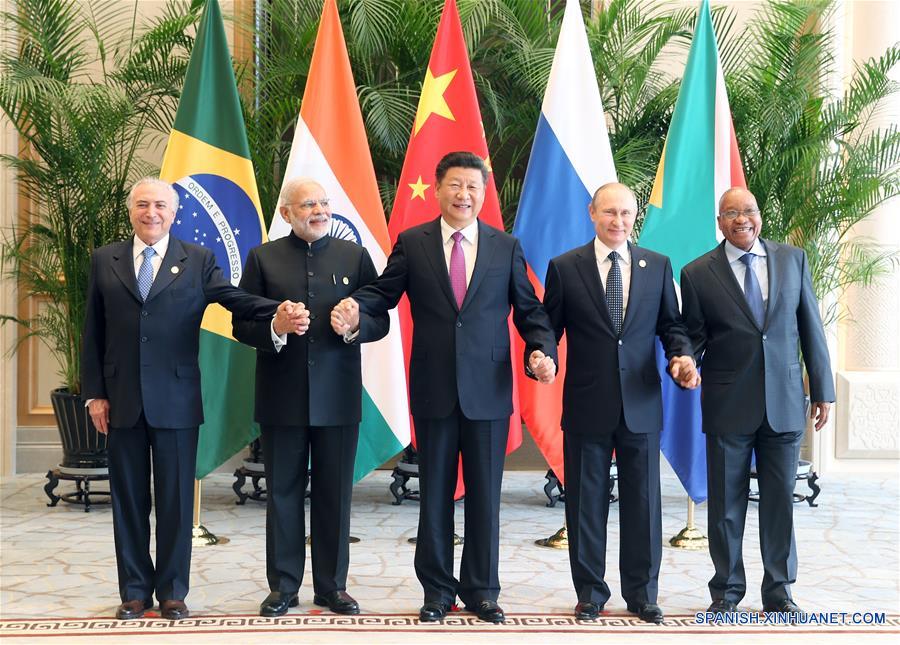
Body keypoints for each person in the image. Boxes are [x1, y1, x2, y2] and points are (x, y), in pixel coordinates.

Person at [331, 151, 557, 624]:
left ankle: (482, 591)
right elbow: (382, 293)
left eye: (473, 187)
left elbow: (530, 310)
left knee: (484, 497)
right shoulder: (413, 243)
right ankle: (437, 591)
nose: (463, 195)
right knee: (434, 495)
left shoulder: (505, 247)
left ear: (483, 193)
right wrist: (354, 308)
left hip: (488, 391)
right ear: (437, 190)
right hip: (434, 388)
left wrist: (541, 350)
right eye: (455, 185)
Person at [82, 177, 301, 620]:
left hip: (177, 399)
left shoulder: (197, 259)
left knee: (176, 502)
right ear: (131, 210)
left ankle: (172, 591)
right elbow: (93, 331)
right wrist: (94, 395)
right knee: (128, 501)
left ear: (174, 212)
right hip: (121, 399)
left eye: (160, 205)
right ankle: (134, 591)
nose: (151, 213)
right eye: (143, 204)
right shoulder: (105, 259)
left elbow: (233, 298)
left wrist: (275, 310)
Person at [542, 183, 699, 624]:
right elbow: (548, 329)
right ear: (592, 213)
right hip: (587, 403)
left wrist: (682, 356)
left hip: (642, 403)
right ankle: (590, 593)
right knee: (585, 504)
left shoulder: (657, 265)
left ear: (635, 217)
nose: (618, 221)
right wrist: (542, 355)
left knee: (643, 504)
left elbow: (672, 327)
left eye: (626, 213)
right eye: (609, 212)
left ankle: (643, 593)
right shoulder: (565, 267)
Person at [232, 177, 388, 617]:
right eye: (307, 205)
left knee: (334, 494)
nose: (318, 211)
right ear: (286, 213)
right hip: (281, 397)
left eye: (323, 203)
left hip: (338, 397)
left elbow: (381, 320)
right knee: (282, 493)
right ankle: (283, 586)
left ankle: (332, 586)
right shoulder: (263, 258)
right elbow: (241, 324)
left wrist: (355, 325)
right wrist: (275, 328)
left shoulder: (354, 256)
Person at [680, 186, 835, 616]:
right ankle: (726, 591)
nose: (741, 219)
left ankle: (780, 591)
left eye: (748, 210)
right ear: (720, 222)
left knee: (780, 502)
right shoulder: (697, 273)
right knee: (726, 507)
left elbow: (811, 327)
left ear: (759, 215)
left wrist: (822, 389)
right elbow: (693, 337)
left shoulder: (792, 259)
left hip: (784, 402)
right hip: (728, 404)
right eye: (731, 213)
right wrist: (685, 362)